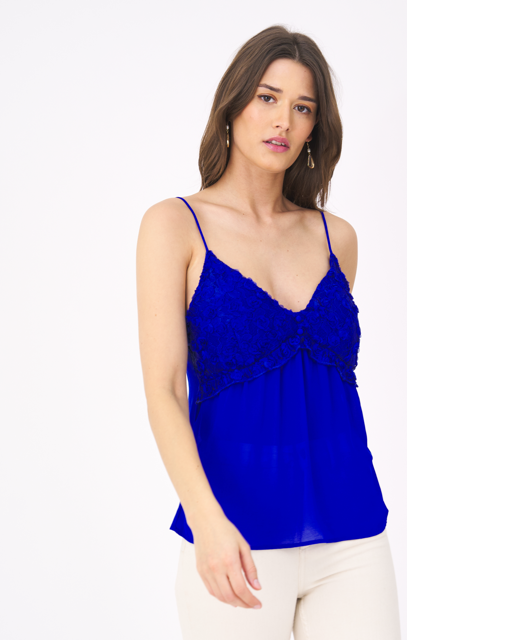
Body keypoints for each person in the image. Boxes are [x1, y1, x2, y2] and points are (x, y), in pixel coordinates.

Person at [136, 25, 401, 640]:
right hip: (235, 536)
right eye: (267, 97)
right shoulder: (174, 225)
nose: (283, 119)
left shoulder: (337, 238)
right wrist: (206, 522)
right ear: (232, 105)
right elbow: (164, 392)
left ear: (314, 129)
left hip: (354, 535)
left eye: (303, 107)